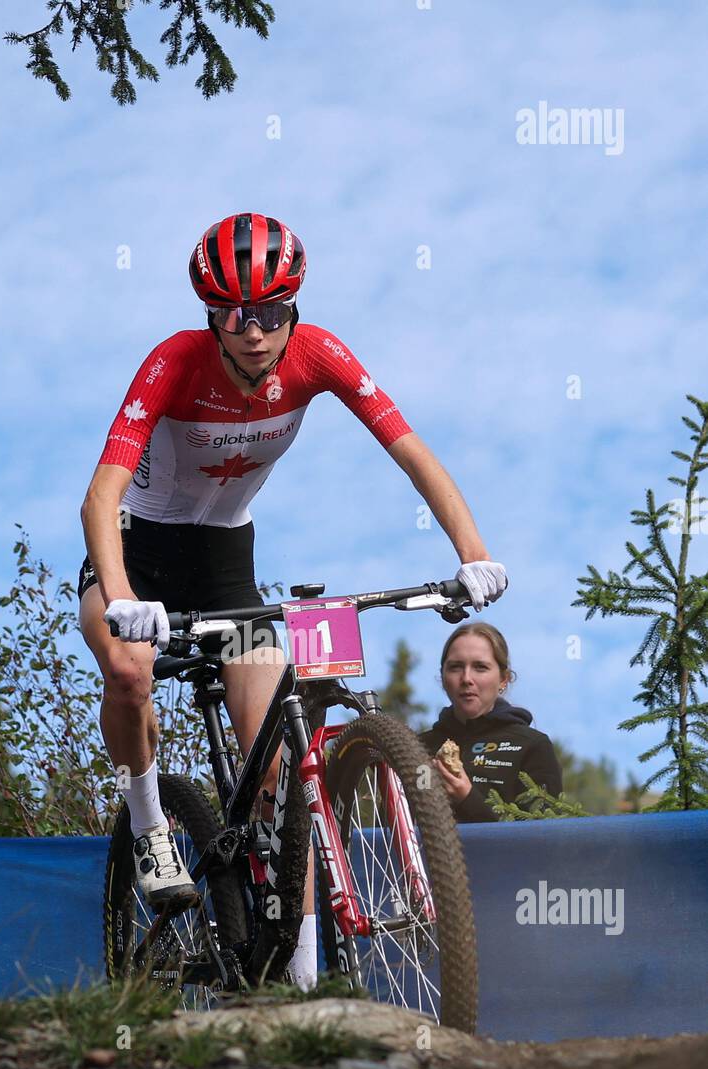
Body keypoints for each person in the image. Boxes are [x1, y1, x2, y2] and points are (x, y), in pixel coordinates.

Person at [78, 211, 508, 987]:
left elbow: (412, 452)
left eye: (272, 312)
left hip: (225, 566)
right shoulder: (173, 363)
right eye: (234, 314)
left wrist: (472, 555)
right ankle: (148, 823)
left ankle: (304, 983)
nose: (253, 331)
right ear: (212, 316)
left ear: (294, 309)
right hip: (135, 558)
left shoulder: (320, 355)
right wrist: (118, 597)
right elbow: (100, 497)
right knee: (131, 672)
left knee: (278, 772)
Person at [420, 623, 562, 822]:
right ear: (443, 677)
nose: (466, 678)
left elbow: (541, 840)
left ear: (503, 679)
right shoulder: (416, 747)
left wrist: (467, 798)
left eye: (480, 667)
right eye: (455, 667)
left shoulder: (532, 746)